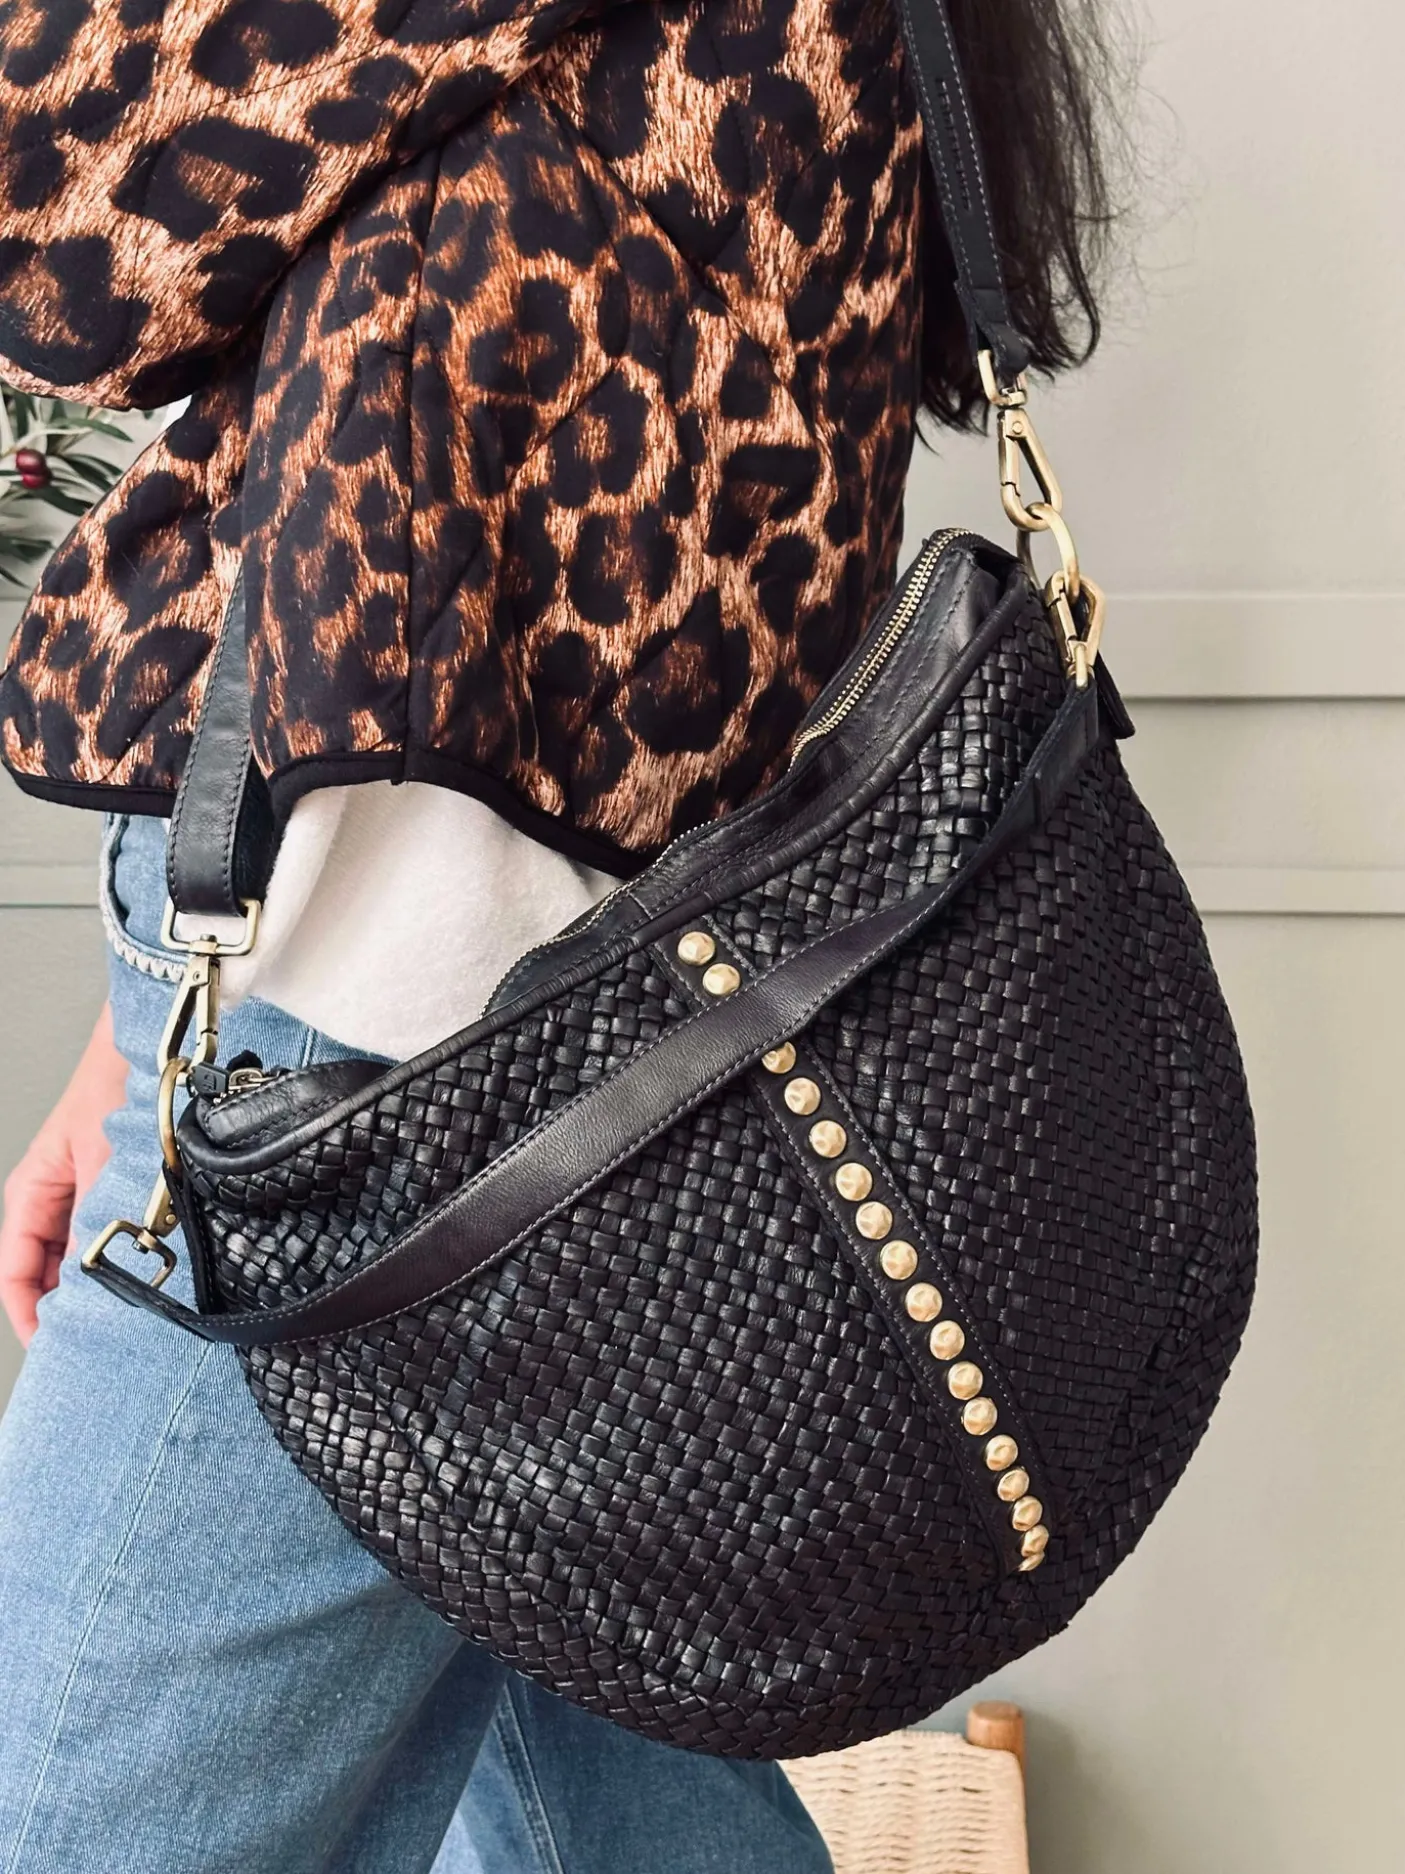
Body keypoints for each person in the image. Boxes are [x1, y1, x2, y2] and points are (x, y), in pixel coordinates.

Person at [0, 1, 1119, 1867]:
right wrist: (147, 1040)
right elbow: (385, 397)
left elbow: (70, 183)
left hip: (394, 1090)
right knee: (608, 1815)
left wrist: (234, 1042)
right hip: (513, 1037)